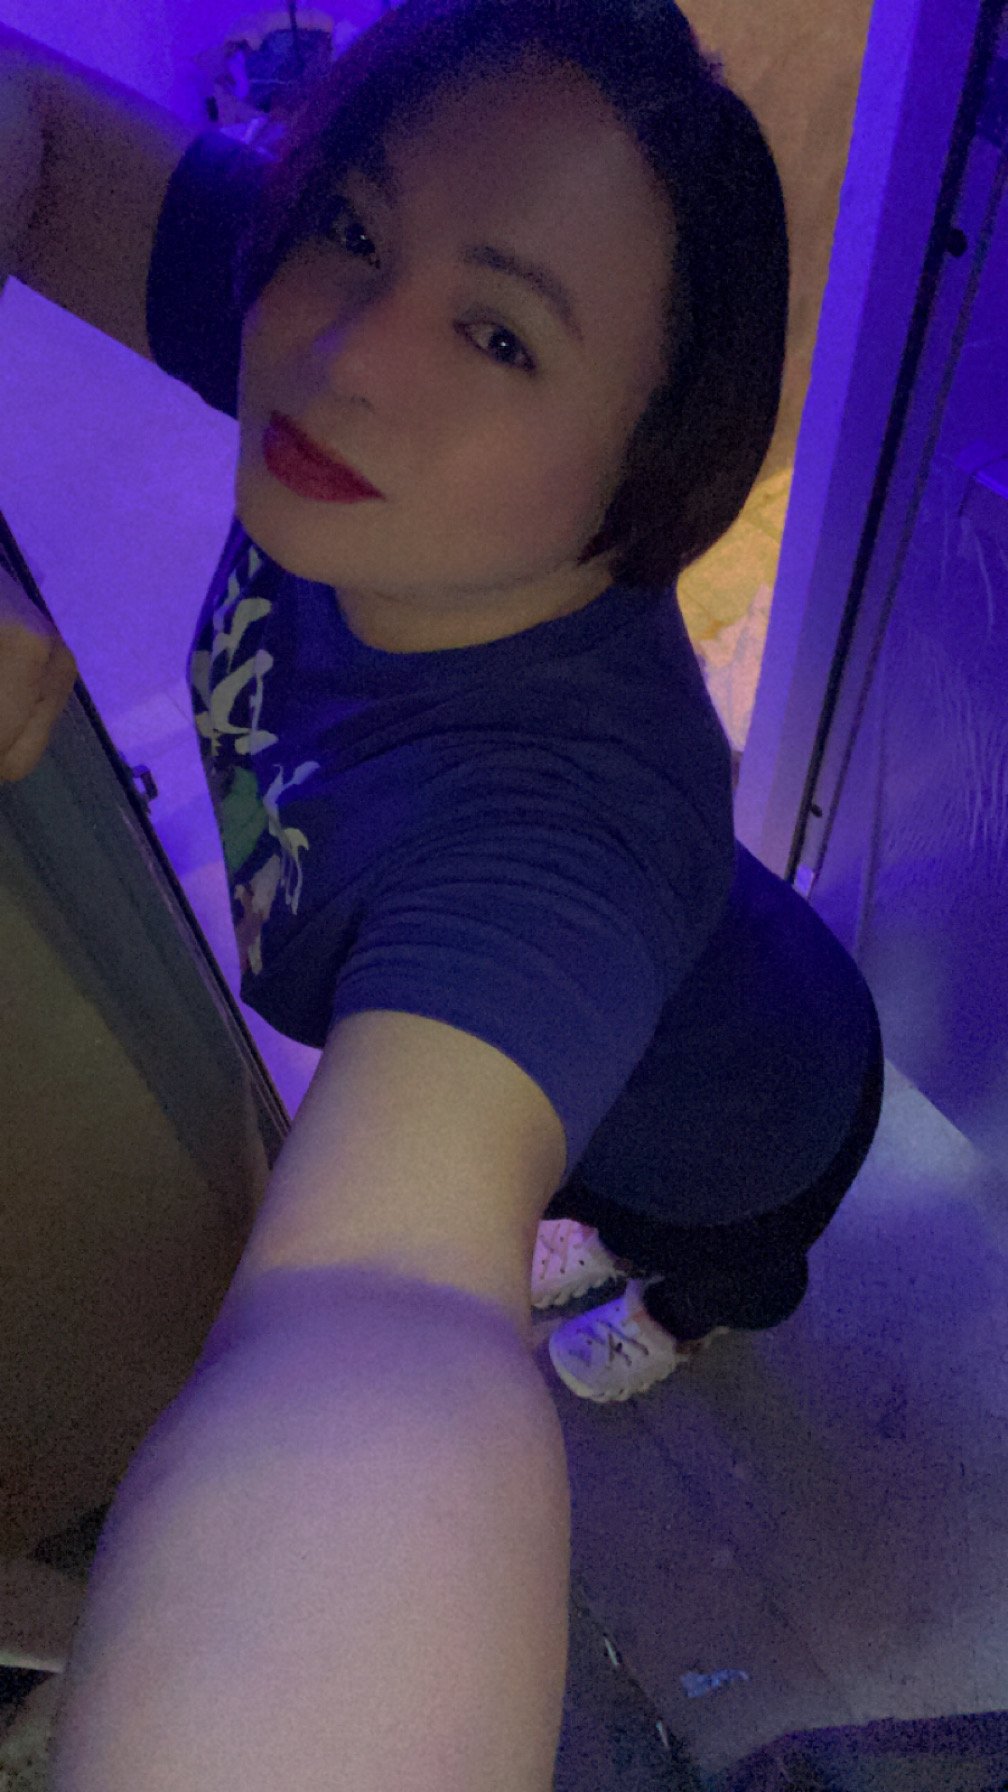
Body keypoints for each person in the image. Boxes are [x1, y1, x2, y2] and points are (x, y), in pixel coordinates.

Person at [0, 2, 882, 1784]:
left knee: (723, 1259)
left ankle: (686, 1302)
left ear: (646, 473)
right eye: (350, 223)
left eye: (500, 333)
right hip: (642, 1040)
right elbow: (38, 154)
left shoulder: (560, 832)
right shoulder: (360, 414)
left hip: (754, 1110)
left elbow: (381, 1299)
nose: (342, 352)